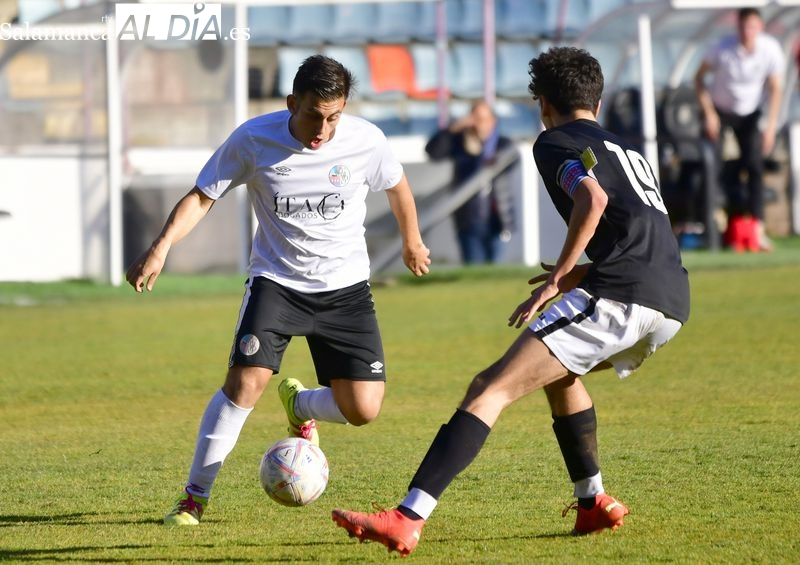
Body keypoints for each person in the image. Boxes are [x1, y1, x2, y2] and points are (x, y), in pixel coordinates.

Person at [331, 46, 691, 556]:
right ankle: (592, 504)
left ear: (542, 103)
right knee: (562, 373)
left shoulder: (555, 141)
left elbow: (593, 199)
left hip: (623, 295)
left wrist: (558, 279)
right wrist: (582, 272)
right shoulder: (624, 147)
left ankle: (407, 518)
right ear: (599, 98)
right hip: (671, 298)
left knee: (489, 387)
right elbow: (642, 231)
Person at [125, 55, 431, 526]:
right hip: (278, 284)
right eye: (313, 114)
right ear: (292, 102)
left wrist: (412, 239)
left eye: (333, 116)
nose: (322, 129)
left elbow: (397, 186)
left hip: (346, 290)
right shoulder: (254, 139)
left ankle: (300, 403)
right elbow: (203, 195)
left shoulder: (366, 139)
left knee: (363, 409)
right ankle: (194, 497)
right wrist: (161, 246)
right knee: (244, 384)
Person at [694, 7, 785, 252]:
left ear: (760, 28)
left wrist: (771, 126)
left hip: (751, 115)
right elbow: (698, 79)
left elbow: (775, 88)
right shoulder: (722, 48)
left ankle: (758, 229)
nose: (748, 32)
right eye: (744, 27)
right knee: (713, 166)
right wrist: (709, 114)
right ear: (738, 27)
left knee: (755, 166)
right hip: (720, 111)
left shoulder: (770, 50)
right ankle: (711, 226)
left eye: (753, 27)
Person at [424, 100, 518, 264]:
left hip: (497, 217)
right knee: (473, 266)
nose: (479, 124)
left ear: (492, 121)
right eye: (475, 119)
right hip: (468, 219)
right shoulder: (460, 143)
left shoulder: (502, 144)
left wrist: (492, 161)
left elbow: (513, 160)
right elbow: (433, 152)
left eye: (483, 119)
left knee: (495, 266)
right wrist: (453, 129)